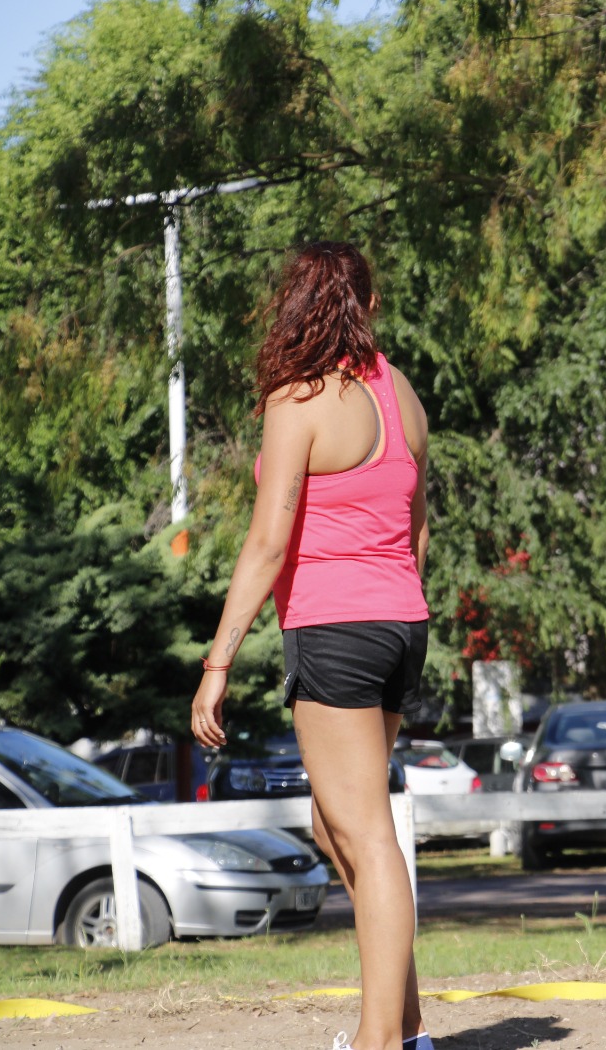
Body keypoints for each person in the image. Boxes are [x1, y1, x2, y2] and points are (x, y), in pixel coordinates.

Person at [191, 242, 435, 1050]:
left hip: (335, 628)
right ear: (367, 304)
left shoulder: (297, 398)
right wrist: (397, 608)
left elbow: (268, 543)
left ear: (295, 306)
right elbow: (418, 530)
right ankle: (405, 1024)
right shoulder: (400, 392)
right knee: (336, 827)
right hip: (401, 626)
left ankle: (381, 1041)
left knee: (365, 833)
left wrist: (218, 663)